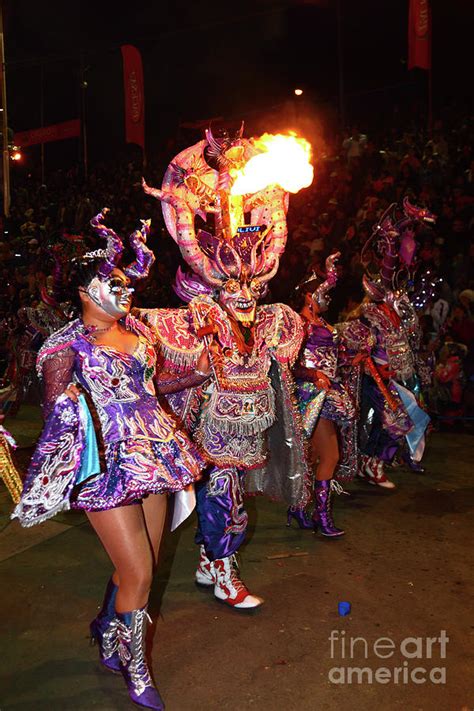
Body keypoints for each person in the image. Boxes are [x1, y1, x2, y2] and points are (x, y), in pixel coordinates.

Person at [13, 210, 210, 711]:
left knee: (145, 563)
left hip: (157, 454)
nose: (126, 291)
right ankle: (135, 667)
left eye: (127, 283)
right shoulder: (66, 346)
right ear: (85, 291)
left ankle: (108, 630)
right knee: (140, 572)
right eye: (114, 282)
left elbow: (146, 390)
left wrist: (194, 377)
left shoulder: (139, 334)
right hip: (106, 464)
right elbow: (55, 409)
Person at [289, 253, 355, 536]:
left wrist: (353, 359)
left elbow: (333, 357)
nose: (326, 296)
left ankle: (300, 508)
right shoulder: (297, 325)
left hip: (329, 391)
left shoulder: (321, 322)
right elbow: (288, 363)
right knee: (330, 456)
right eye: (321, 291)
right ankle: (322, 518)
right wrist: (313, 374)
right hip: (312, 396)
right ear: (307, 295)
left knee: (315, 457)